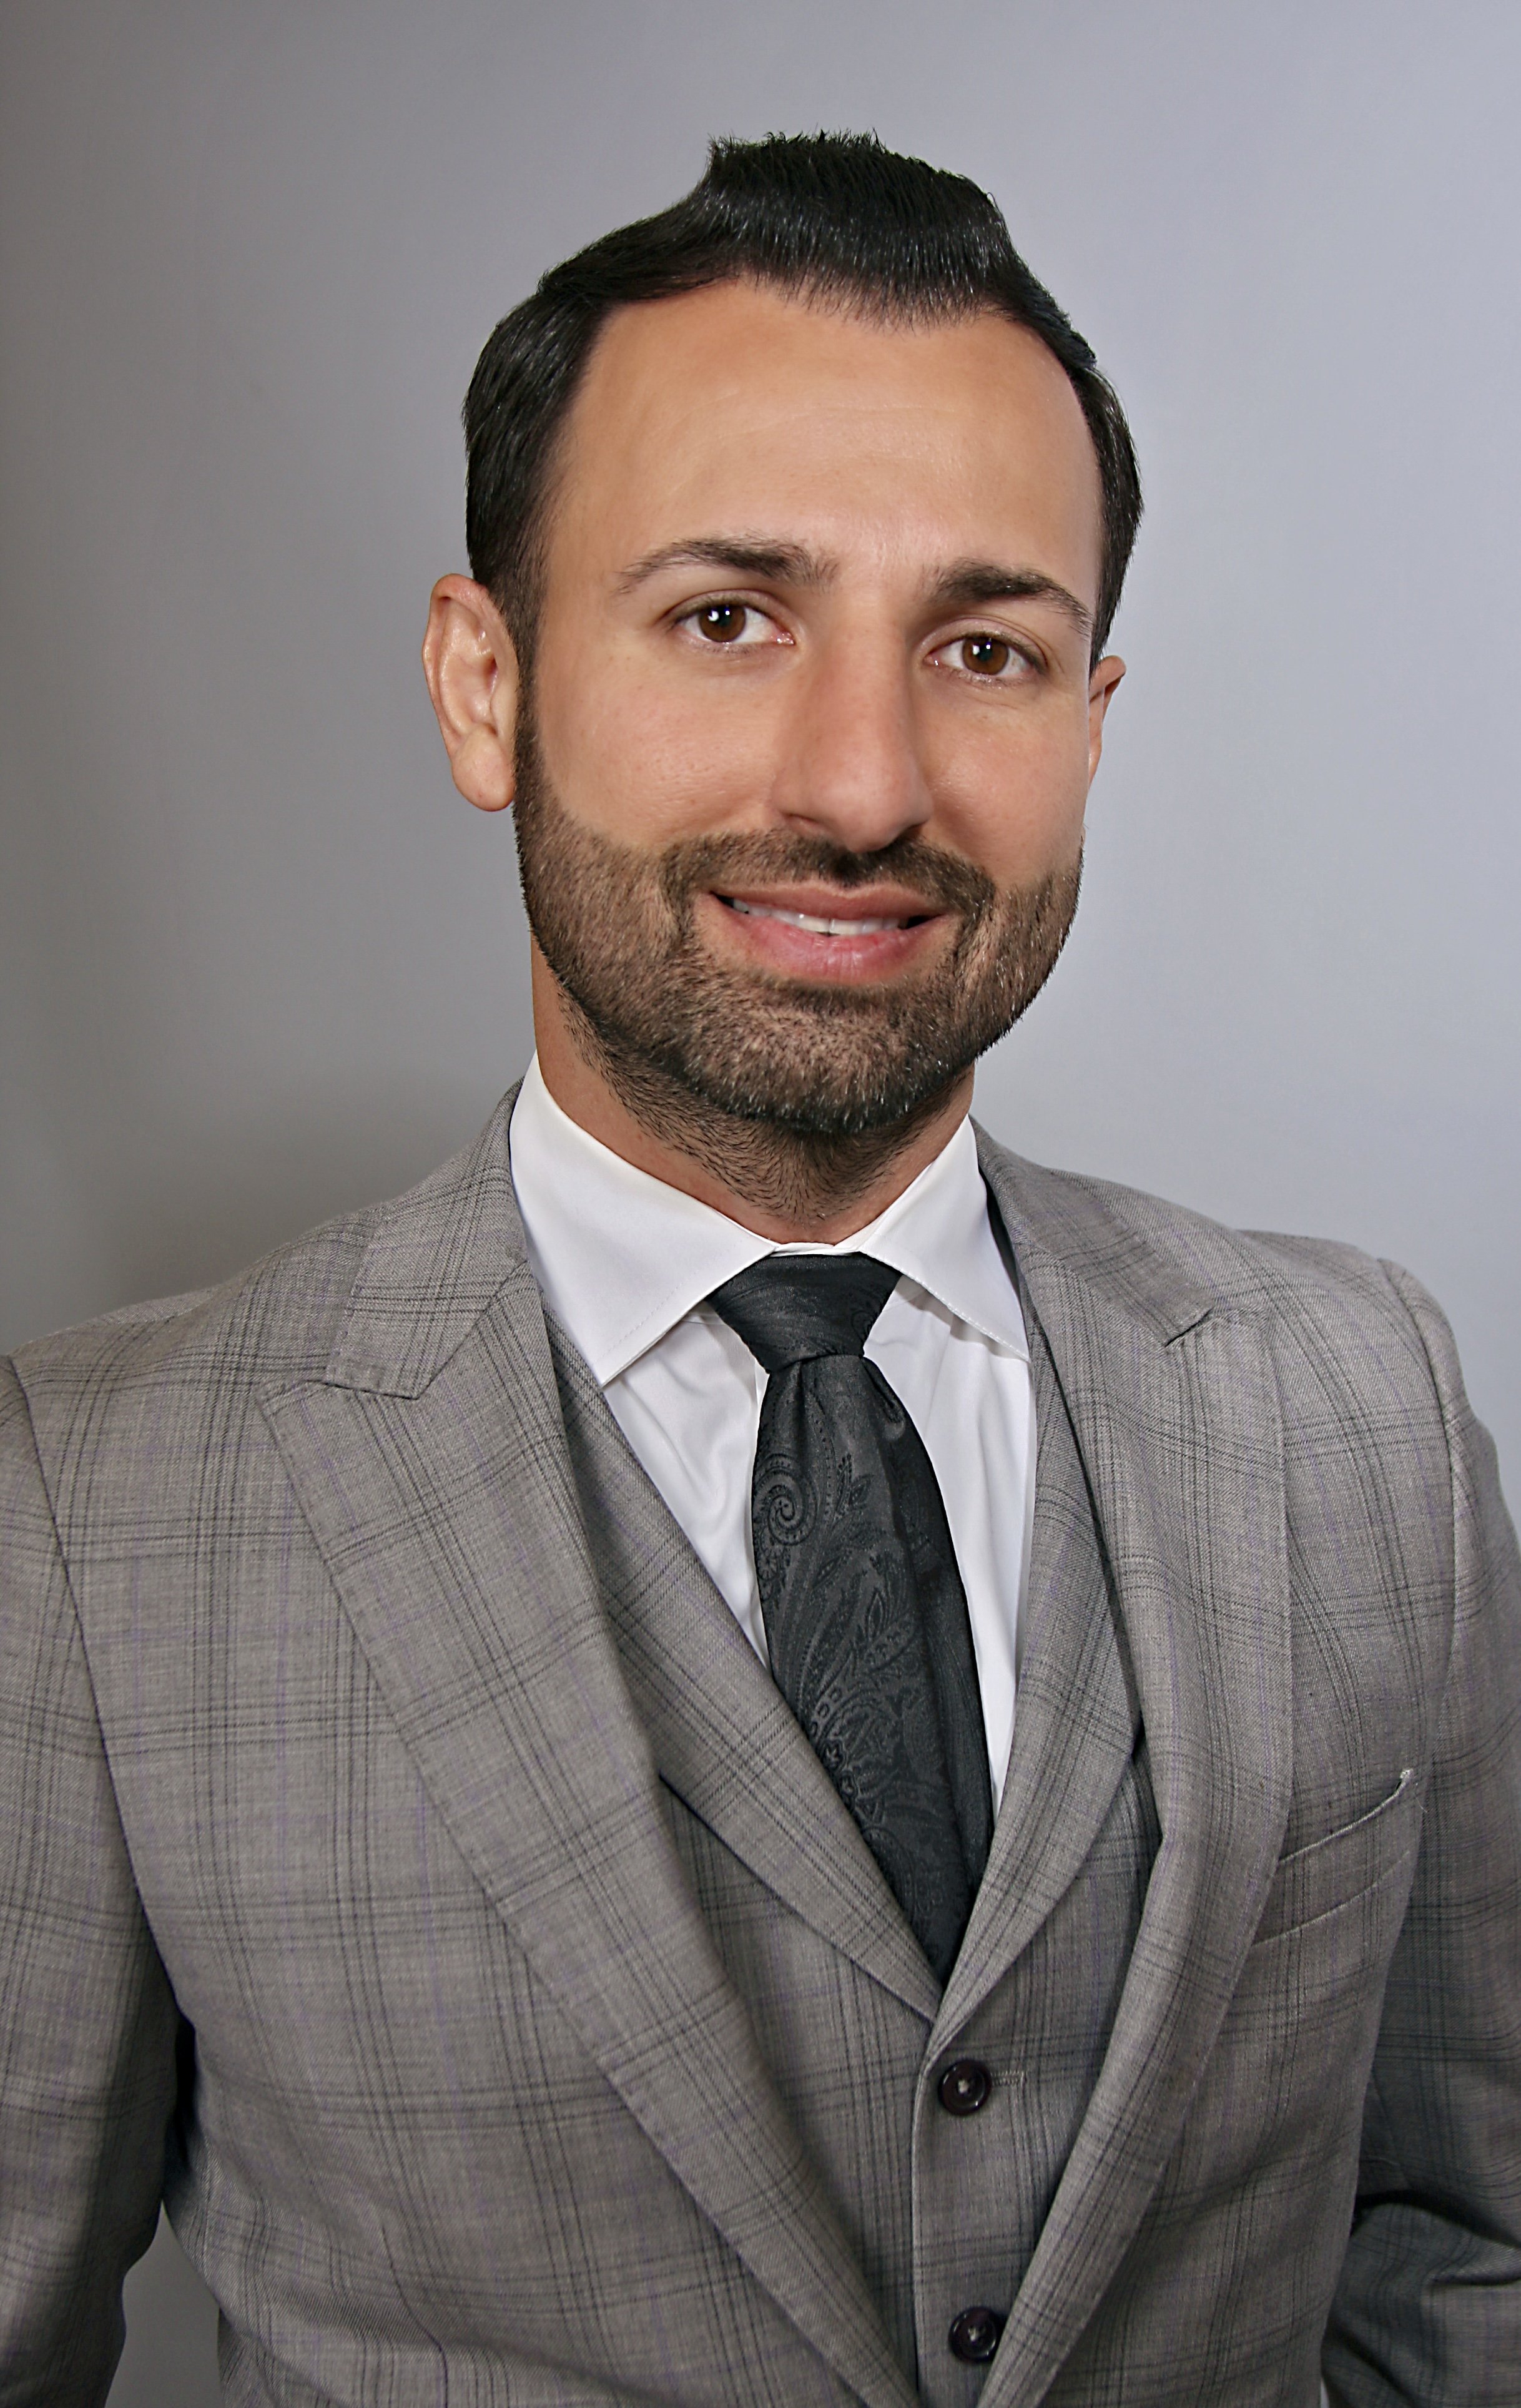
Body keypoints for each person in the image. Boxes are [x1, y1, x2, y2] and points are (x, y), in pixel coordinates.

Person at [1, 130, 1517, 2408]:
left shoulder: (1355, 1401)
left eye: (984, 648)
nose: (864, 782)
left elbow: (1469, 2254)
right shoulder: (89, 1509)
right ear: (485, 684)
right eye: (728, 616)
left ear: (1090, 724)